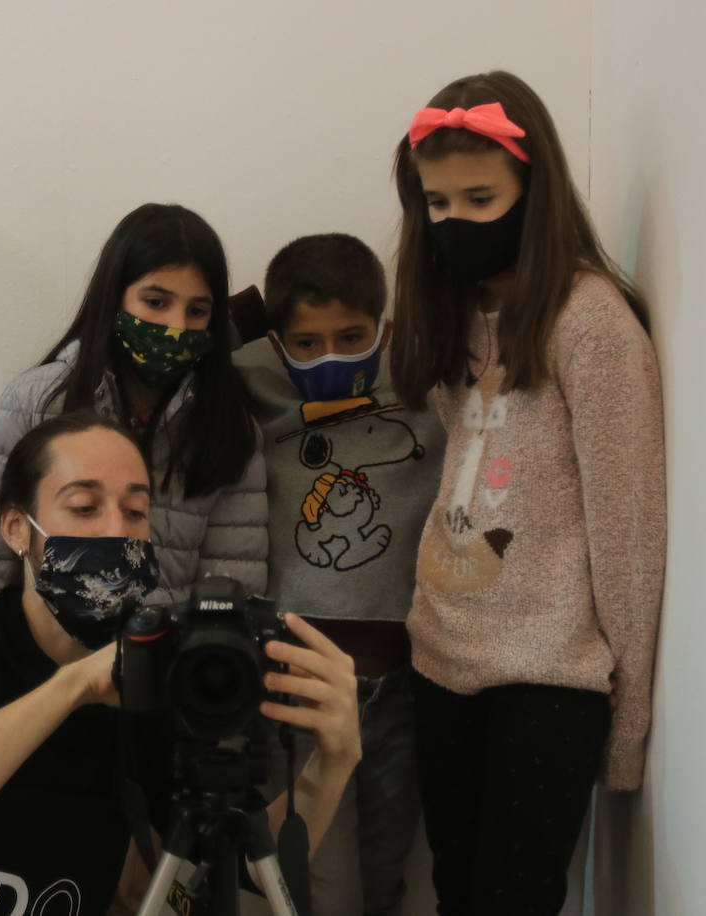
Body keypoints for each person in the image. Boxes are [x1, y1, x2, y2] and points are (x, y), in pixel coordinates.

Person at [0, 411, 360, 914]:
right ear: (18, 529)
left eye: (135, 512)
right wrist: (74, 686)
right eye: (85, 507)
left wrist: (335, 760)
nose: (117, 531)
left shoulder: (149, 688)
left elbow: (242, 861)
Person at [389, 70, 666, 914]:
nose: (456, 223)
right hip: (440, 652)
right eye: (437, 205)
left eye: (481, 198)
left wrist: (628, 733)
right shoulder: (450, 309)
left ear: (532, 192)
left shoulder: (591, 324)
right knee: (452, 888)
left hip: (549, 674)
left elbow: (630, 530)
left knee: (514, 898)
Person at [239, 233, 445, 915]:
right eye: (305, 342)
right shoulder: (250, 390)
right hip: (296, 683)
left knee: (387, 876)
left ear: (384, 329)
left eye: (352, 336)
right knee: (318, 887)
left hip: (403, 687)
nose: (329, 356)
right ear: (276, 343)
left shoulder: (423, 383)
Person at [0, 202, 268, 614]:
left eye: (197, 310)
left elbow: (235, 581)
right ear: (114, 296)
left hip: (165, 663)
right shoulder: (38, 402)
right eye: (155, 302)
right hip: (48, 663)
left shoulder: (230, 426)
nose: (177, 326)